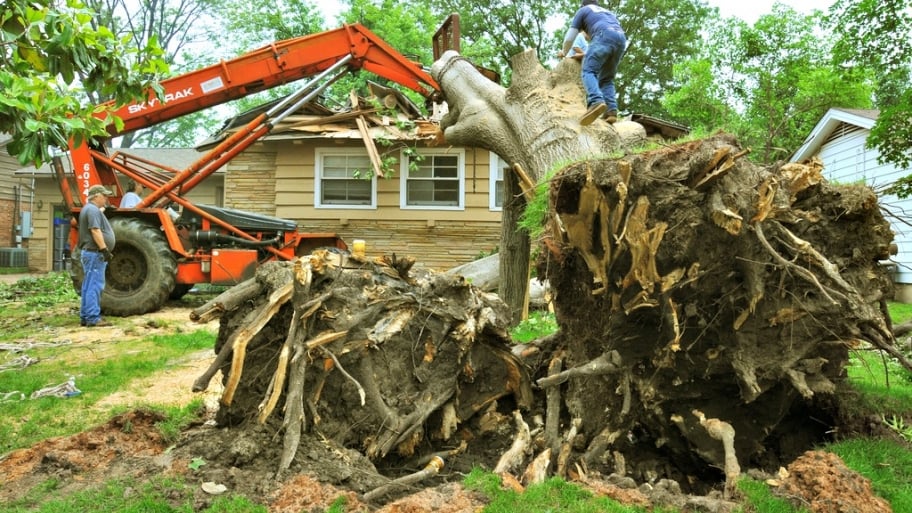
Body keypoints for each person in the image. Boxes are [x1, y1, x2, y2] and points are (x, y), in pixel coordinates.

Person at [559, 0, 626, 126]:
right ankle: (611, 111)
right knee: (607, 78)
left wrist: (564, 52)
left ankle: (595, 101)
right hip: (621, 38)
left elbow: (570, 37)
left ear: (583, 5)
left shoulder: (583, 10)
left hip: (603, 35)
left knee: (588, 70)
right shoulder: (607, 13)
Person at [78, 184, 116, 327]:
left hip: (90, 252)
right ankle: (93, 318)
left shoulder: (89, 209)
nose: (106, 198)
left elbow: (96, 213)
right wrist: (104, 249)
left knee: (88, 285)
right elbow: (95, 230)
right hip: (95, 253)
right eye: (104, 196)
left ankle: (85, 316)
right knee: (95, 285)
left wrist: (104, 210)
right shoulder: (93, 210)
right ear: (96, 196)